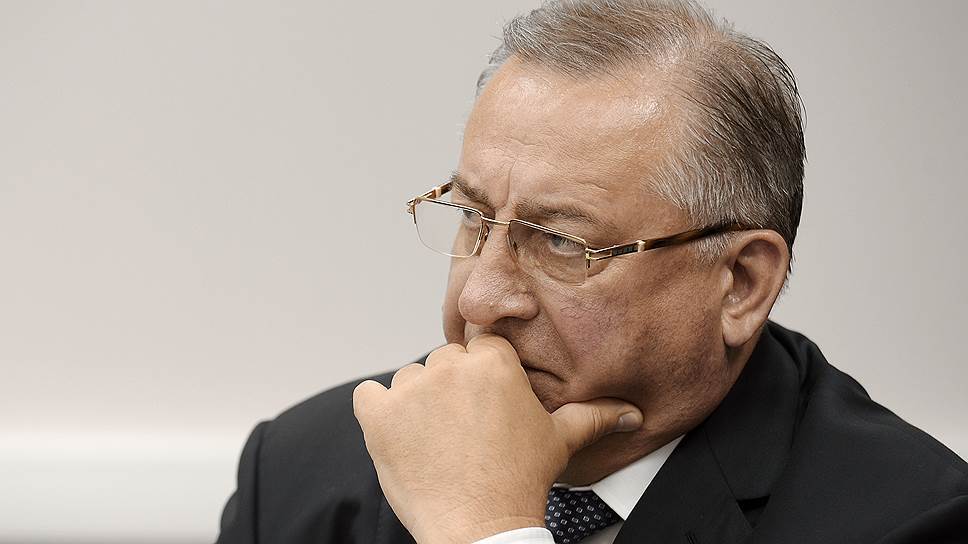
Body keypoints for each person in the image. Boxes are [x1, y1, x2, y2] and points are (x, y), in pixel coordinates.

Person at [215, 1, 968, 542]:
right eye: (474, 216)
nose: (480, 299)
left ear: (741, 283)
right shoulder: (298, 474)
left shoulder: (912, 519)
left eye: (560, 242)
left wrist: (488, 533)